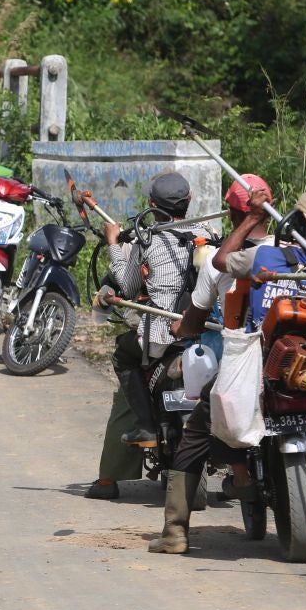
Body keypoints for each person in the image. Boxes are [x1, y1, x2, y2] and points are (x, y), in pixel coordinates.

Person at [147, 174, 273, 553]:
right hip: (285, 370)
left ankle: (174, 532)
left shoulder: (219, 264)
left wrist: (180, 326)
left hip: (240, 370)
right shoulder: (292, 253)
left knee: (195, 434)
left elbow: (194, 320)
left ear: (234, 214)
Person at [215, 187, 306, 490]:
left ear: (295, 222)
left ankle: (240, 479)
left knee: (215, 399)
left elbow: (221, 260)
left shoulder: (262, 256)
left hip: (261, 367)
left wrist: (253, 216)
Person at [87, 171, 215, 500]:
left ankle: (144, 426)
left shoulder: (148, 241)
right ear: (188, 203)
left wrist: (114, 244)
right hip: (206, 333)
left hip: (161, 334)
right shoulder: (210, 234)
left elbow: (128, 286)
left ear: (151, 206)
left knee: (122, 353)